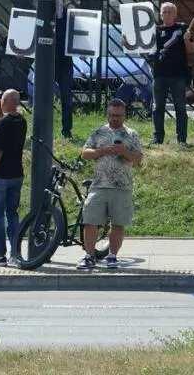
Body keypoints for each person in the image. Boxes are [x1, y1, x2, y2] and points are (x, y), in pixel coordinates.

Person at [77, 98, 143, 271]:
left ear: (124, 115)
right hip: (99, 184)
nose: (115, 119)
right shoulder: (98, 132)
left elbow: (138, 160)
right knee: (90, 220)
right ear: (107, 114)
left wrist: (124, 152)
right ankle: (89, 256)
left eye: (119, 116)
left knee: (118, 223)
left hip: (122, 186)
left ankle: (112, 256)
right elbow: (85, 153)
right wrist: (102, 151)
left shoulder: (131, 134)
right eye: (112, 115)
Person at [0, 89, 27, 266]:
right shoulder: (21, 121)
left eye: (2, 100)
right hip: (16, 174)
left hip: (0, 175)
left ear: (6, 101)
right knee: (13, 215)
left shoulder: (3, 125)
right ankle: (15, 253)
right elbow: (3, 121)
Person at [150, 2, 194, 147]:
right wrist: (128, 42)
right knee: (158, 108)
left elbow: (192, 49)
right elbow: (143, 49)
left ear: (175, 14)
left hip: (178, 75)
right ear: (160, 14)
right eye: (164, 12)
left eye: (170, 12)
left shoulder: (182, 28)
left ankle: (182, 139)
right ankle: (158, 138)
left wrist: (187, 39)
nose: (167, 14)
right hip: (159, 74)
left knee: (180, 108)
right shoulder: (154, 30)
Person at [55, 3, 74, 138]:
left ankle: (66, 130)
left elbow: (78, 33)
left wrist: (82, 49)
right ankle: (40, 128)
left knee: (66, 99)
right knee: (41, 98)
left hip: (65, 63)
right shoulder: (43, 9)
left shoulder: (69, 15)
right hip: (46, 63)